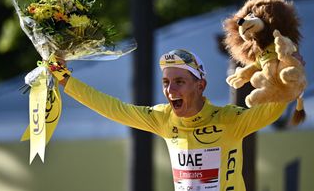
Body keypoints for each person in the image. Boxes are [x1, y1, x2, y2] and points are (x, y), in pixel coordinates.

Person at [50, 49, 287, 191]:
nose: (170, 89)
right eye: (166, 82)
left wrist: (280, 64)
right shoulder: (164, 117)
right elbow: (112, 108)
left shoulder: (229, 119)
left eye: (179, 82)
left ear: (200, 85)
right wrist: (64, 78)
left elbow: (276, 106)